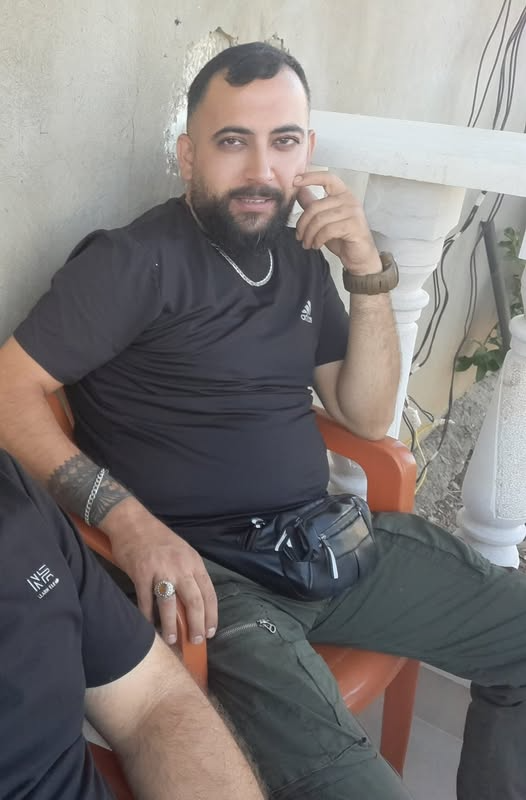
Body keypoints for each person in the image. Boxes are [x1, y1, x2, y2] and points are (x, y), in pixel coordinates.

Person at [0, 41, 525, 800]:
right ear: (188, 155)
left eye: (282, 142)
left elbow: (365, 415)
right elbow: (9, 391)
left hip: (322, 546)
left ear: (307, 151)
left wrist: (365, 268)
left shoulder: (301, 256)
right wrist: (126, 519)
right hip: (212, 581)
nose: (260, 170)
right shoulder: (132, 263)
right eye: (231, 142)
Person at [0, 448, 264, 800]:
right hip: (235, 568)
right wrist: (129, 520)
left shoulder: (11, 495)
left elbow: (152, 699)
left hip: (314, 545)